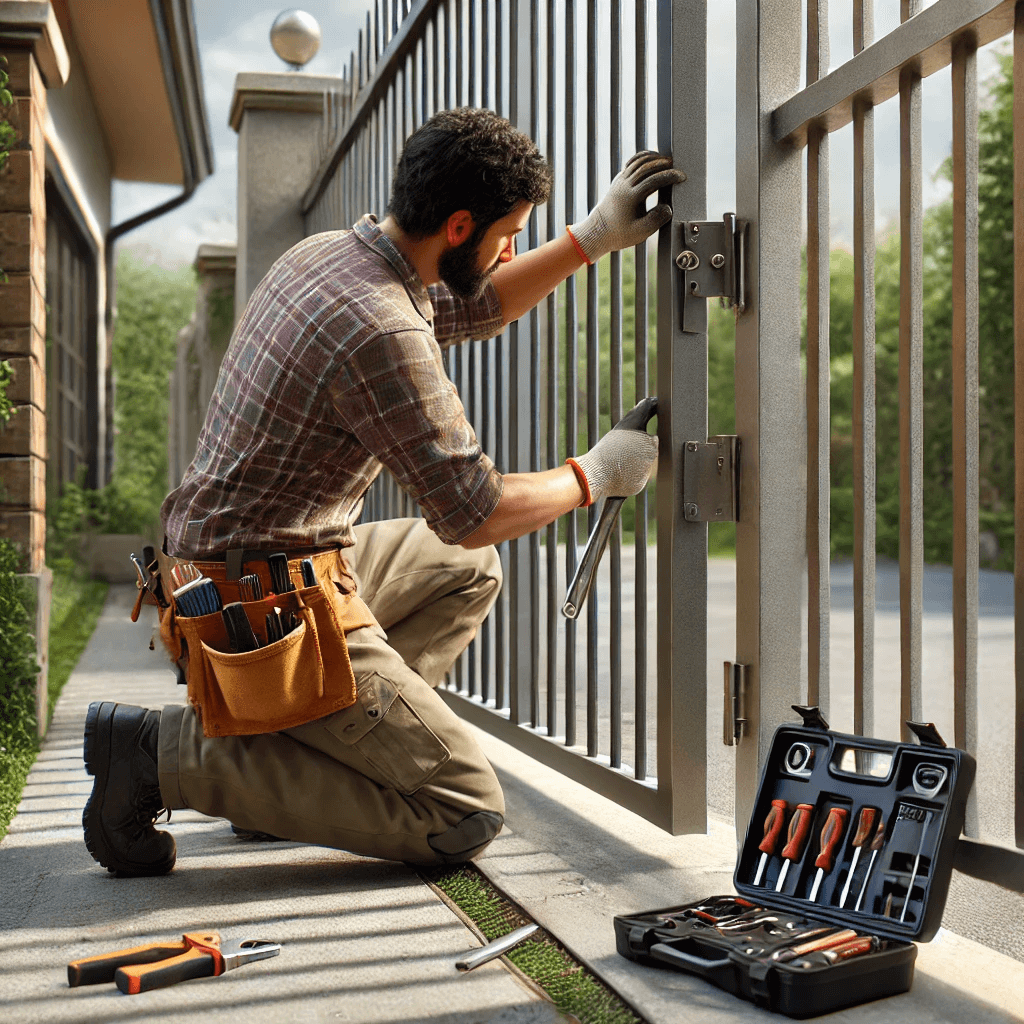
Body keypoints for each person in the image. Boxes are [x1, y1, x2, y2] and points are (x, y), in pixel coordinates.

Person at [81, 108, 683, 877]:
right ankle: (164, 757)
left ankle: (299, 765)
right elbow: (475, 512)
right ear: (459, 226)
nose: (512, 248)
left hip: (230, 565)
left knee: (464, 573)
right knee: (461, 812)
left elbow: (475, 304)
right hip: (259, 607)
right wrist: (593, 476)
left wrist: (589, 239)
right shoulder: (379, 327)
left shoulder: (330, 256)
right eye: (508, 233)